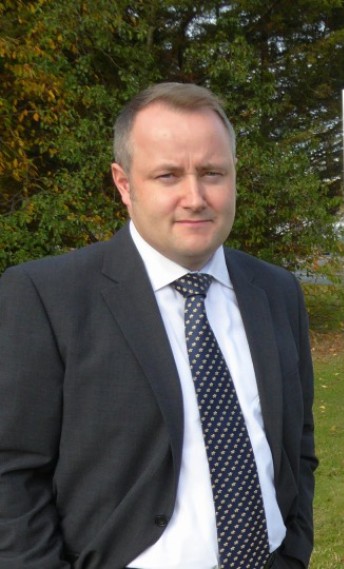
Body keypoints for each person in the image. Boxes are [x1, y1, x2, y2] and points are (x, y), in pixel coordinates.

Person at [0, 83, 317, 568]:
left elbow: (298, 443)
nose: (195, 198)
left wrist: (294, 551)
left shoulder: (276, 291)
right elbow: (13, 473)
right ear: (124, 184)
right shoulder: (46, 297)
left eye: (212, 173)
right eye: (168, 175)